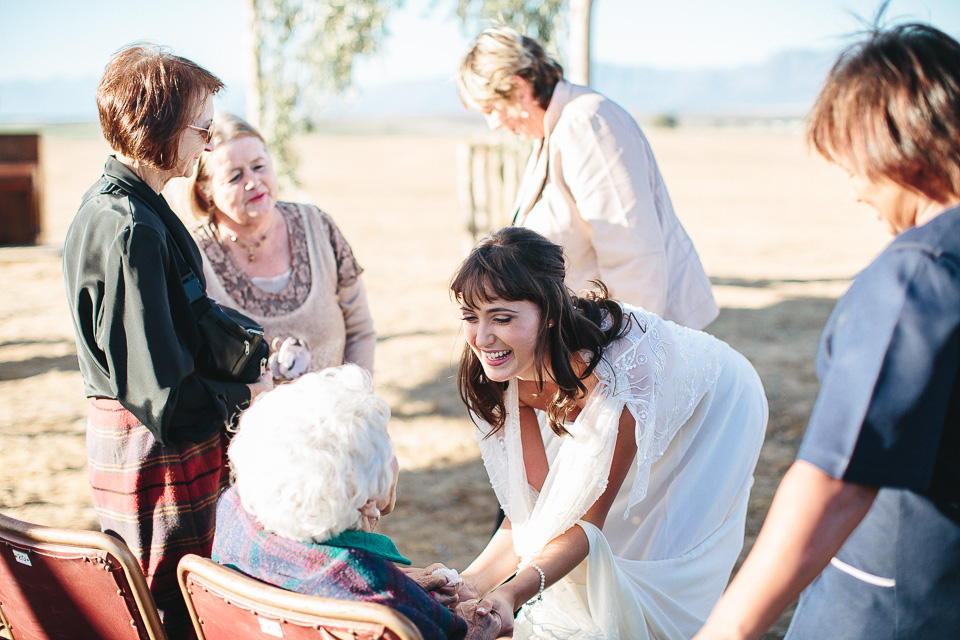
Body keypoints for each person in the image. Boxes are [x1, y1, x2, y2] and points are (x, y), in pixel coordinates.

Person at [693, 23, 960, 640]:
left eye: (852, 166)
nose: (855, 191)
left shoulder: (917, 274)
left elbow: (835, 481)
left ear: (896, 148)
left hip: (897, 604)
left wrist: (724, 631)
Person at [449, 226, 767, 639]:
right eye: (470, 317)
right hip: (594, 392)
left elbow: (586, 525)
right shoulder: (498, 366)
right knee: (579, 533)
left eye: (502, 318)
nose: (482, 338)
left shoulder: (619, 376)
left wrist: (512, 593)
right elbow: (532, 509)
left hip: (716, 404)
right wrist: (467, 585)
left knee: (646, 543)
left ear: (549, 313)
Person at [62, 45, 272, 637]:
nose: (207, 143)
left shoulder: (129, 205)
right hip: (156, 454)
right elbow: (164, 400)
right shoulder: (129, 227)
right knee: (175, 614)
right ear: (157, 126)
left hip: (150, 444)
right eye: (200, 127)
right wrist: (247, 397)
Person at [213, 365, 500, 640]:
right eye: (389, 451)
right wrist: (478, 620)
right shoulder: (383, 596)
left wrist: (409, 586)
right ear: (366, 503)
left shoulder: (233, 513)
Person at [458, 26, 718, 330]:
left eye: (491, 109)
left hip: (624, 338)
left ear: (520, 89)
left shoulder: (587, 123)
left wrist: (624, 350)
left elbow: (632, 257)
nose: (493, 124)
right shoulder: (552, 132)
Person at [186, 113, 375, 380]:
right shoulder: (191, 256)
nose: (253, 182)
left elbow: (360, 330)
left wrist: (354, 396)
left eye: (259, 166)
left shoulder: (319, 227)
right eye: (235, 176)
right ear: (204, 192)